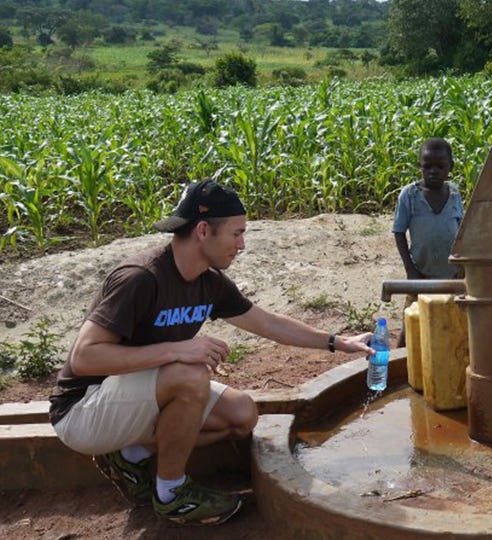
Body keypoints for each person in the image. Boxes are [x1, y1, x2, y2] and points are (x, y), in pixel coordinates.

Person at [48, 179, 375, 526]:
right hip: (83, 410)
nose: (242, 244)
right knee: (190, 375)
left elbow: (267, 323)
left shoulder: (209, 281)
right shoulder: (141, 278)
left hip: (131, 397)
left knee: (241, 414)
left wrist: (338, 342)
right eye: (236, 233)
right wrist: (177, 349)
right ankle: (172, 494)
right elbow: (84, 358)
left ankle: (131, 454)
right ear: (204, 230)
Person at [391, 137, 465, 346]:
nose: (433, 171)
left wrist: (463, 265)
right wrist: (410, 270)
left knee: (453, 321)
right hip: (421, 272)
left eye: (440, 166)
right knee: (411, 322)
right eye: (427, 166)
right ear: (419, 166)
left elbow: (460, 230)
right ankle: (400, 366)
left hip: (453, 272)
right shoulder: (410, 195)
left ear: (450, 167)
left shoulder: (454, 193)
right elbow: (399, 232)